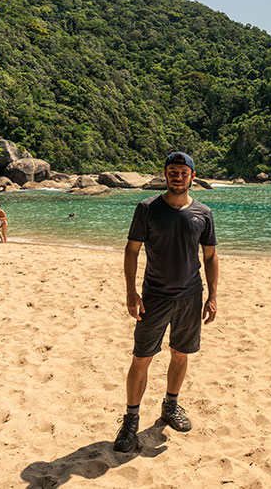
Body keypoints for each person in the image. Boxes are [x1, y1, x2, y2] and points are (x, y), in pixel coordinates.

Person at [114, 151, 219, 453]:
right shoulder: (147, 209)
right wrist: (131, 292)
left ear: (192, 177)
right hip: (154, 297)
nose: (177, 176)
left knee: (180, 354)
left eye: (183, 172)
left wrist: (213, 296)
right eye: (172, 171)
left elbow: (210, 256)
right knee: (141, 358)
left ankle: (170, 407)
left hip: (190, 296)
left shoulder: (203, 214)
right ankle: (131, 419)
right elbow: (132, 250)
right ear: (165, 174)